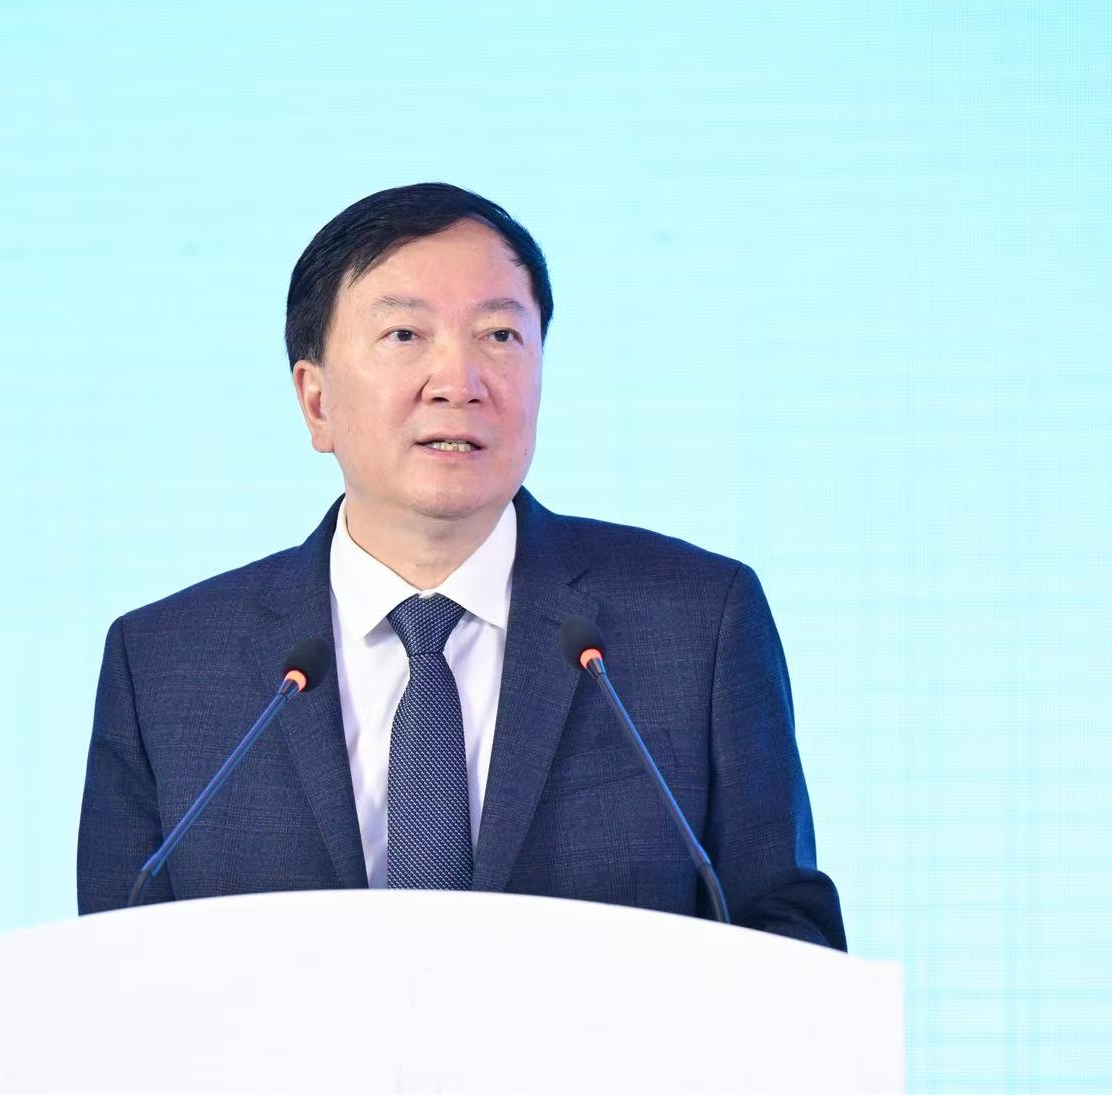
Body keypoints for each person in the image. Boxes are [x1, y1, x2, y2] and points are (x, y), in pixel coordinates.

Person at [77, 183, 845, 949]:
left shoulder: (696, 623)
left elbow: (789, 939)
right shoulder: (166, 666)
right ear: (316, 401)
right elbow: (109, 974)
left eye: (500, 336)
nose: (458, 383)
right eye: (405, 334)